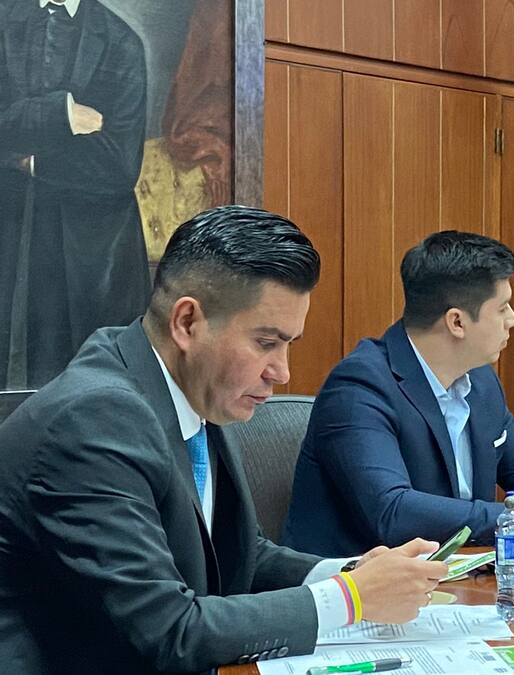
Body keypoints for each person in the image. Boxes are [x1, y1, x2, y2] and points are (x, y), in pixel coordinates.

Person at [0, 206, 447, 674]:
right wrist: (350, 599)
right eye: (266, 343)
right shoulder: (93, 420)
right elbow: (170, 631)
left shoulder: (187, 387)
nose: (282, 372)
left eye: (288, 344)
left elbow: (238, 552)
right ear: (187, 323)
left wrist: (351, 574)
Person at [283, 231, 514, 557]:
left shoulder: (480, 382)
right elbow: (394, 511)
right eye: (503, 308)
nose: (513, 320)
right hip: (364, 582)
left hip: (461, 577)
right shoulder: (359, 388)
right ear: (457, 322)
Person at [0, 0, 151, 389]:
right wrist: (62, 113)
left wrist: (33, 160)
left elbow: (118, 165)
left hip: (91, 251)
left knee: (84, 388)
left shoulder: (120, 42)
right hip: (10, 229)